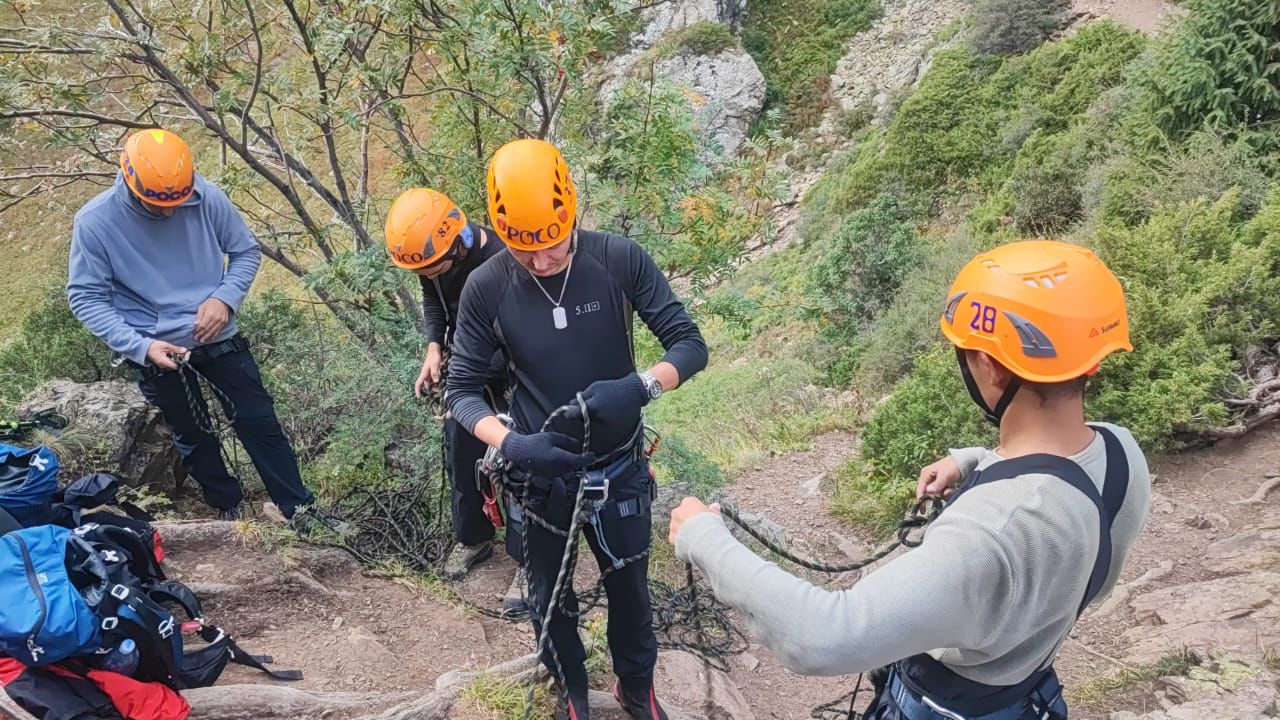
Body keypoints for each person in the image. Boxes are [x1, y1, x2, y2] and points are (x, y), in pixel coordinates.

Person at [668, 240, 1152, 719]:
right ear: (1090, 358)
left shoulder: (988, 534)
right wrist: (975, 462)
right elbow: (1058, 485)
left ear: (989, 366)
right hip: (1027, 691)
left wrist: (704, 539)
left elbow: (823, 637)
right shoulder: (1121, 453)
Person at [447, 138, 708, 720]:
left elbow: (689, 345)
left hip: (618, 465)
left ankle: (636, 688)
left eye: (553, 247)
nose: (540, 262)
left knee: (631, 595)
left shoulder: (617, 260)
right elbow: (461, 392)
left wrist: (641, 387)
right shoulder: (487, 287)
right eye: (523, 250)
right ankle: (573, 692)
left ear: (573, 216)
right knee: (548, 597)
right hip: (539, 476)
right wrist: (512, 443)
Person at [67, 128, 336, 533]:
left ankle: (299, 509)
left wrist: (224, 298)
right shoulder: (96, 222)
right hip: (157, 344)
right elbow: (86, 297)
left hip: (219, 334)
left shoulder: (205, 195)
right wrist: (140, 346)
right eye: (157, 204)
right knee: (192, 433)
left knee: (258, 421)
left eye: (176, 201)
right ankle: (227, 506)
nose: (170, 212)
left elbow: (244, 251)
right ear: (128, 179)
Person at [382, 187, 524, 609]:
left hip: (513, 373)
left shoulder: (504, 261)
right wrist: (434, 348)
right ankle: (474, 539)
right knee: (460, 453)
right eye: (419, 271)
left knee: (519, 464)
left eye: (432, 267)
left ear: (459, 245)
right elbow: (435, 299)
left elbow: (521, 335)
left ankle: (530, 560)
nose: (427, 275)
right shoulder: (435, 263)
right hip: (467, 371)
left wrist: (467, 370)